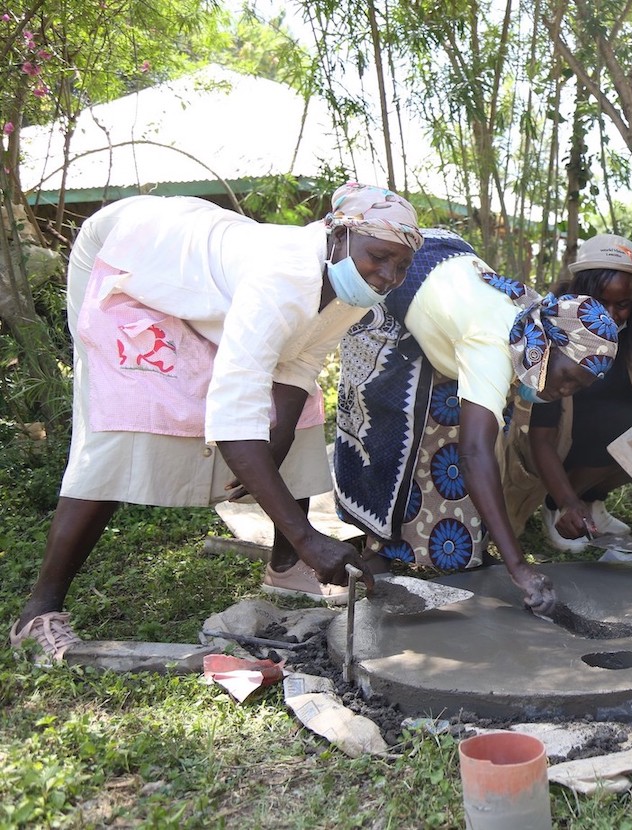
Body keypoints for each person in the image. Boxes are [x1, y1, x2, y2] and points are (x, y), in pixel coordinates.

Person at [10, 183, 423, 663]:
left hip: (204, 259)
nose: (390, 275)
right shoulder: (282, 276)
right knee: (122, 419)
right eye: (379, 257)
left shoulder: (357, 289)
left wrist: (279, 435)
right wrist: (311, 537)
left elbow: (300, 363)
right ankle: (38, 611)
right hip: (129, 255)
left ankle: (288, 565)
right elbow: (233, 415)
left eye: (401, 264)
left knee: (298, 411)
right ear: (338, 236)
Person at [333, 230, 618, 615]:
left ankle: (456, 554)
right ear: (547, 345)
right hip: (395, 289)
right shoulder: (492, 342)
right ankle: (378, 547)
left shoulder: (537, 323)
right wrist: (519, 568)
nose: (564, 390)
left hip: (447, 293)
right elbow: (475, 455)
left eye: (575, 387)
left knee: (450, 428)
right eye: (566, 377)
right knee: (392, 430)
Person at [507, 234, 632, 551]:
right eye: (601, 302)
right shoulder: (556, 321)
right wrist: (565, 500)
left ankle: (592, 501)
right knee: (613, 430)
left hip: (614, 422)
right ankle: (559, 506)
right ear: (580, 292)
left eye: (621, 304)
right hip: (563, 438)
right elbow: (540, 438)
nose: (610, 313)